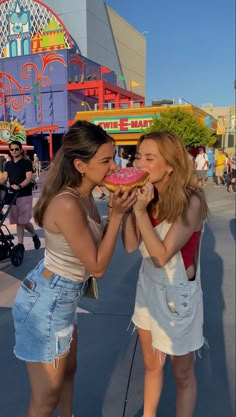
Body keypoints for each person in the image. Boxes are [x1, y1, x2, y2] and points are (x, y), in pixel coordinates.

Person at [12, 120, 136, 417]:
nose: (114, 166)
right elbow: (97, 266)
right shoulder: (68, 203)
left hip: (63, 297)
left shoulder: (86, 197)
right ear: (80, 165)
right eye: (106, 160)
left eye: (114, 157)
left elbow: (113, 244)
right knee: (46, 398)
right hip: (47, 301)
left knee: (69, 373)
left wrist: (126, 208)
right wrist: (116, 216)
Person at [122, 131, 209, 417]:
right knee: (151, 364)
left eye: (150, 158)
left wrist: (141, 212)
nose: (140, 163)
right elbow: (131, 244)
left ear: (170, 165)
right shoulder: (146, 196)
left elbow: (161, 256)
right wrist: (127, 208)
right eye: (138, 157)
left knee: (182, 373)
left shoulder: (191, 201)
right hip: (148, 287)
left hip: (176, 295)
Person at [0, 140, 41, 262]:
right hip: (12, 195)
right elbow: (5, 178)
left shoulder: (26, 163)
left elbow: (29, 178)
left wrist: (19, 186)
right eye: (11, 149)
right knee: (21, 221)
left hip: (24, 194)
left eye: (16, 149)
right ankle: (34, 235)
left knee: (21, 221)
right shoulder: (8, 164)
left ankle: (20, 245)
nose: (14, 152)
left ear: (21, 150)